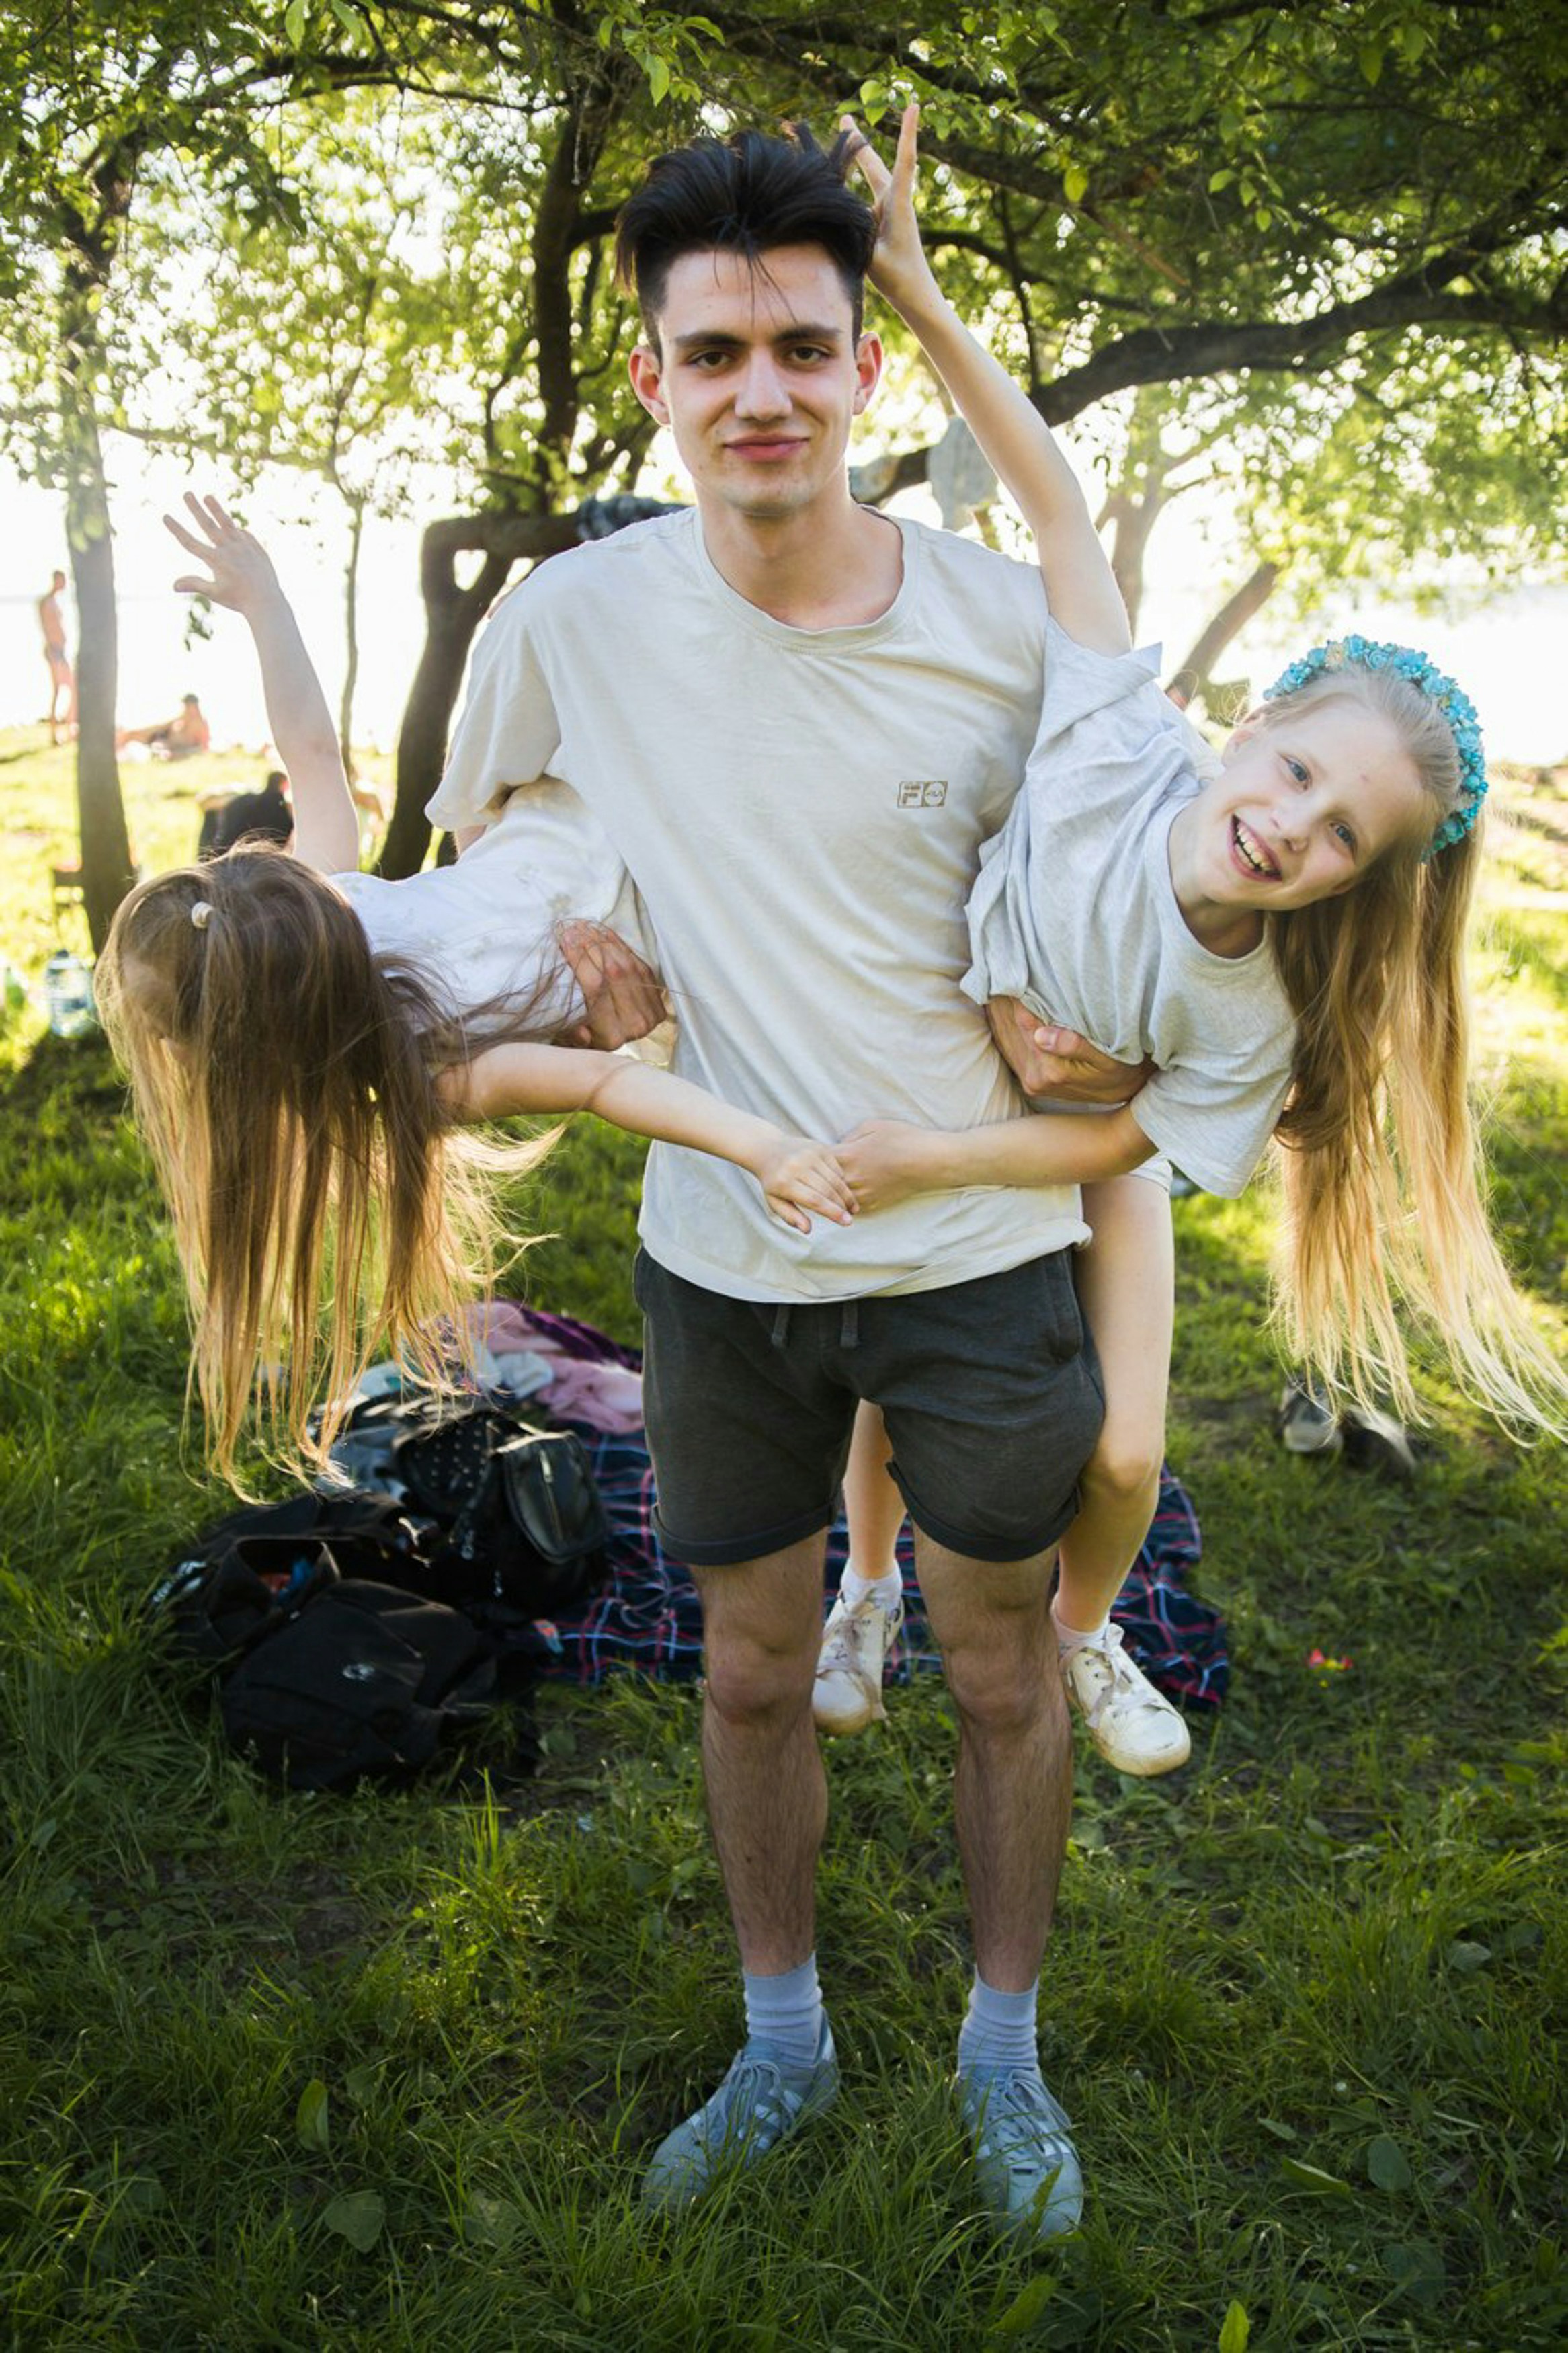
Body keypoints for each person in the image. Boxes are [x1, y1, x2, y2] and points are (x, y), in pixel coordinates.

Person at [428, 122, 1147, 2243]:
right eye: (717, 345)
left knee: (1000, 1664)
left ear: (865, 376)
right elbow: (499, 871)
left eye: (807, 347)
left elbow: (1116, 904)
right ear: (650, 373)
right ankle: (784, 2032)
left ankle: (1001, 2051)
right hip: (722, 1248)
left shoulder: (1002, 630)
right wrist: (567, 933)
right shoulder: (573, 616)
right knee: (750, 1664)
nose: (765, 387)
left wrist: (1095, 1027)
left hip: (978, 1238)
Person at [809, 110, 1566, 1772]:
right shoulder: (1111, 731)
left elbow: (1125, 1135)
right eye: (1298, 771)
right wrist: (918, 301)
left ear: (1355, 882)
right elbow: (1059, 509)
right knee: (886, 1385)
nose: (1294, 824)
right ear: (1248, 728)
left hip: (1082, 1146)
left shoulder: (1258, 1005)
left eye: (1340, 835)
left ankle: (1084, 1633)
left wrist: (969, 1151)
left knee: (1128, 1447)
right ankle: (862, 1585)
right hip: (956, 1072)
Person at [96, 498, 856, 1482]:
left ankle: (730, 560)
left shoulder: (327, 920)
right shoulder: (423, 1072)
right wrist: (765, 1148)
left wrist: (267, 603)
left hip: (579, 805)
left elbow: (311, 753)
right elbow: (603, 1085)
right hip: (674, 897)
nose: (288, 861)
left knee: (561, 635)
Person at [210, 768, 294, 853]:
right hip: (263, 852)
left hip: (235, 848)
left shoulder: (244, 800)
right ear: (284, 784)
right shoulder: (280, 807)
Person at [38, 571, 75, 744]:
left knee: (69, 688)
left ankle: (67, 729)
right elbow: (47, 629)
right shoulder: (46, 602)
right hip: (55, 652)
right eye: (63, 581)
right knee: (59, 690)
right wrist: (53, 651)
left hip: (60, 650)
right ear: (56, 580)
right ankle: (56, 733)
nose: (65, 584)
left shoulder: (53, 601)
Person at [118, 692, 210, 759]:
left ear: (194, 706)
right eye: (185, 706)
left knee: (160, 749)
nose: (185, 709)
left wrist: (180, 754)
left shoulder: (199, 723)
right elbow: (161, 727)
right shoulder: (180, 720)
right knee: (132, 735)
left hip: (176, 750)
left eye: (187, 706)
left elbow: (203, 748)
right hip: (165, 743)